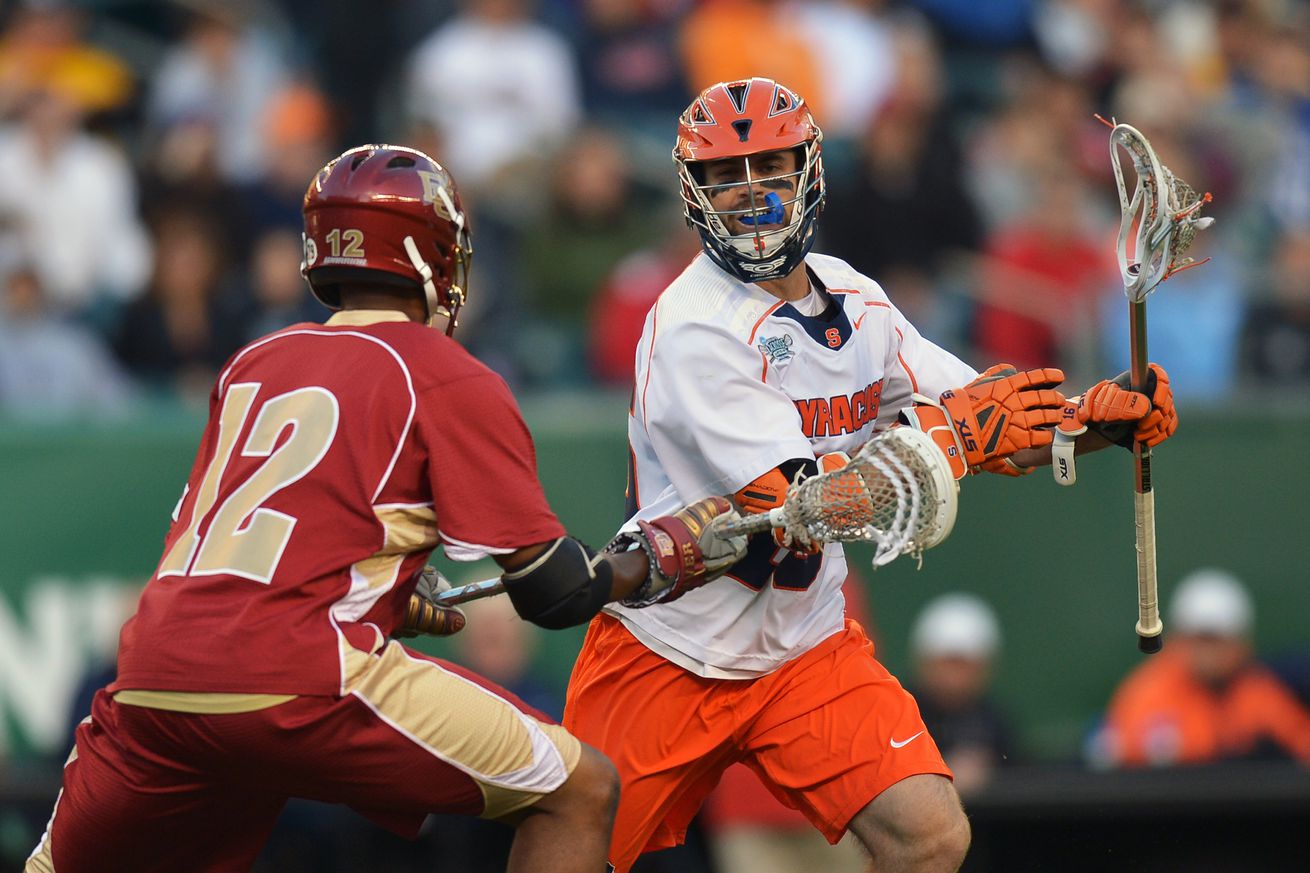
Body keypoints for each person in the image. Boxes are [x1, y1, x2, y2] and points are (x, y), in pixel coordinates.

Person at [25, 144, 748, 873]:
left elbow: (238, 556)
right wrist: (662, 556)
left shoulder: (254, 360)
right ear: (425, 252)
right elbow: (555, 590)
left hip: (153, 675)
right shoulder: (440, 369)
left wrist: (383, 599)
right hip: (300, 675)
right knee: (581, 787)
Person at [562, 77, 1180, 873]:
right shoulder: (691, 326)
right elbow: (805, 508)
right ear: (694, 194)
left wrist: (1097, 422)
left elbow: (995, 422)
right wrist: (958, 437)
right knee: (571, 854)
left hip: (803, 647)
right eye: (726, 177)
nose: (752, 196)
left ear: (810, 171)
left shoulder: (857, 297)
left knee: (930, 834)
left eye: (771, 167)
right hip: (669, 647)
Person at [1097, 568, 1310, 768]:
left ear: (1240, 645)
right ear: (1178, 640)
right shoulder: (1148, 693)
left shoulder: (1256, 693)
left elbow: (1300, 742)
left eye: (1216, 640)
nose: (1208, 653)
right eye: (1199, 640)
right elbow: (1123, 762)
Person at [907, 593, 1016, 797]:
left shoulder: (996, 722)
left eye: (964, 666)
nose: (954, 678)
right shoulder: (899, 714)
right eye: (947, 663)